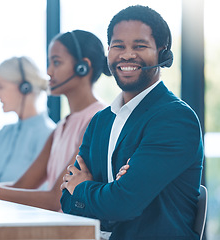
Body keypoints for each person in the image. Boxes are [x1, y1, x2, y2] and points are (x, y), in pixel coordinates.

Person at [60, 5, 204, 240]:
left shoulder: (174, 119)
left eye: (140, 46)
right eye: (118, 46)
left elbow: (122, 203)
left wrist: (83, 188)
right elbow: (67, 199)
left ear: (162, 52)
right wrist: (108, 193)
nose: (127, 55)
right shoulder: (100, 121)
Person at [0, 30, 111, 211]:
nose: (48, 71)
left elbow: (57, 198)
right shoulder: (61, 126)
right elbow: (23, 184)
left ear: (83, 67)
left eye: (56, 62)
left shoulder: (96, 120)